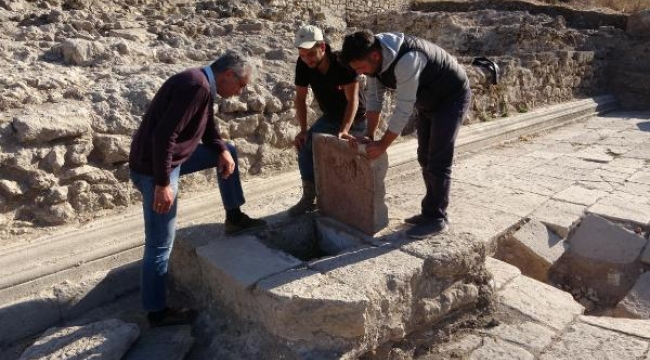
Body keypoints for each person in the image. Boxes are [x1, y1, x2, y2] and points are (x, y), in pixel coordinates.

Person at [129, 50, 267, 327]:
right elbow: (163, 137)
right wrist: (163, 184)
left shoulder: (202, 85)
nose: (240, 92)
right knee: (160, 243)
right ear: (228, 75)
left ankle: (234, 217)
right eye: (240, 85)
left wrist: (221, 151)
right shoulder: (195, 86)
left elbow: (208, 129)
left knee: (228, 149)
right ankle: (156, 312)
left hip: (171, 161)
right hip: (155, 168)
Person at [340, 30, 472, 239]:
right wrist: (370, 135)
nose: (361, 73)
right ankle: (429, 211)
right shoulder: (376, 62)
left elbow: (403, 109)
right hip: (428, 100)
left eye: (361, 67)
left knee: (438, 158)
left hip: (451, 98)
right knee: (424, 156)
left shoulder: (408, 59)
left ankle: (437, 218)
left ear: (374, 56)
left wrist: (383, 144)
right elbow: (374, 101)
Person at [289, 25, 367, 216]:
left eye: (310, 54)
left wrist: (345, 129)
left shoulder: (342, 63)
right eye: (302, 54)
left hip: (354, 119)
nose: (306, 59)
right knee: (305, 145)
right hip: (330, 117)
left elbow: (352, 100)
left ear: (322, 47)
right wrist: (303, 130)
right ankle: (309, 196)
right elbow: (300, 98)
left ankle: (357, 202)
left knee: (352, 158)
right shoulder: (303, 64)